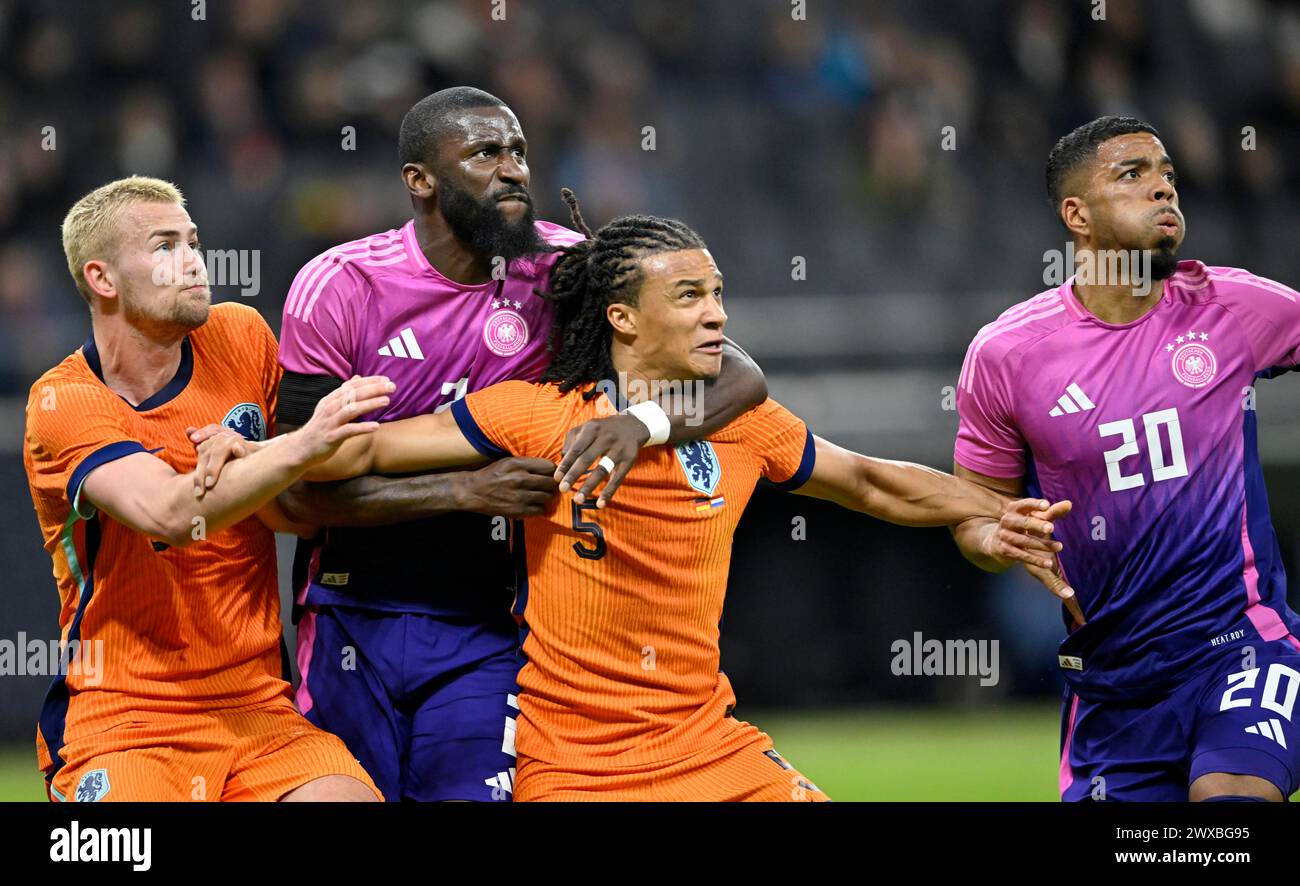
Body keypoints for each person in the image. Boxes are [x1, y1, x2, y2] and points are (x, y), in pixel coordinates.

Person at [295, 192, 1063, 800]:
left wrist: (994, 510)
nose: (717, 313)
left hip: (708, 746)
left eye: (718, 293)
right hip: (574, 768)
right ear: (622, 316)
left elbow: (868, 479)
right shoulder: (535, 414)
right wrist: (277, 452)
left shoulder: (743, 423)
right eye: (690, 295)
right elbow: (368, 448)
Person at [271, 87, 767, 801]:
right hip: (351, 610)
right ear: (421, 180)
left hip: (493, 624)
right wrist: (464, 491)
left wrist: (643, 423)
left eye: (519, 151)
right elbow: (295, 491)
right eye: (485, 152)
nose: (513, 169)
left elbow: (739, 375)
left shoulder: (564, 272)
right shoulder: (341, 286)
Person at [952, 116, 1300, 802]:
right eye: (1133, 175)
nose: (1164, 189)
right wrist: (994, 538)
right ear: (1076, 214)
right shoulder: (1006, 356)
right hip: (1114, 686)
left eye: (1167, 173)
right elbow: (973, 518)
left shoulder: (1232, 306)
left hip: (1241, 645)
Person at [23, 176, 390, 801]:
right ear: (102, 279)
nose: (194, 259)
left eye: (194, 240)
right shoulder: (64, 402)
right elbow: (167, 511)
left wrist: (262, 452)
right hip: (122, 717)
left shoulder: (242, 335)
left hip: (257, 706)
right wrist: (300, 444)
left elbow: (299, 512)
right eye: (164, 245)